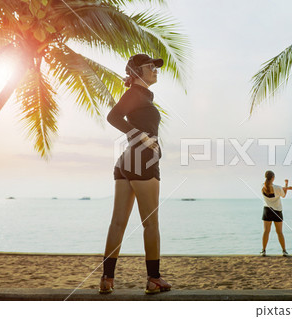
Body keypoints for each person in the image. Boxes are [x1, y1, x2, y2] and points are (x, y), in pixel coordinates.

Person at [99, 54, 171, 294]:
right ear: (138, 71)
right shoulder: (136, 94)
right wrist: (139, 136)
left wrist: (137, 138)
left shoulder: (140, 96)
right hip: (141, 161)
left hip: (127, 161)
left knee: (117, 223)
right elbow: (113, 116)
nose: (156, 70)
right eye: (151, 66)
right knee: (151, 224)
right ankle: (154, 279)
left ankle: (107, 279)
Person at [260, 170, 292, 257]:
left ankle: (263, 251)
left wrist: (285, 187)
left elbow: (272, 187)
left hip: (267, 210)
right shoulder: (278, 188)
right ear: (273, 178)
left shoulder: (262, 186)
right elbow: (284, 195)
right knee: (279, 232)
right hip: (277, 211)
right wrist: (286, 185)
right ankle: (284, 251)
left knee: (266, 231)